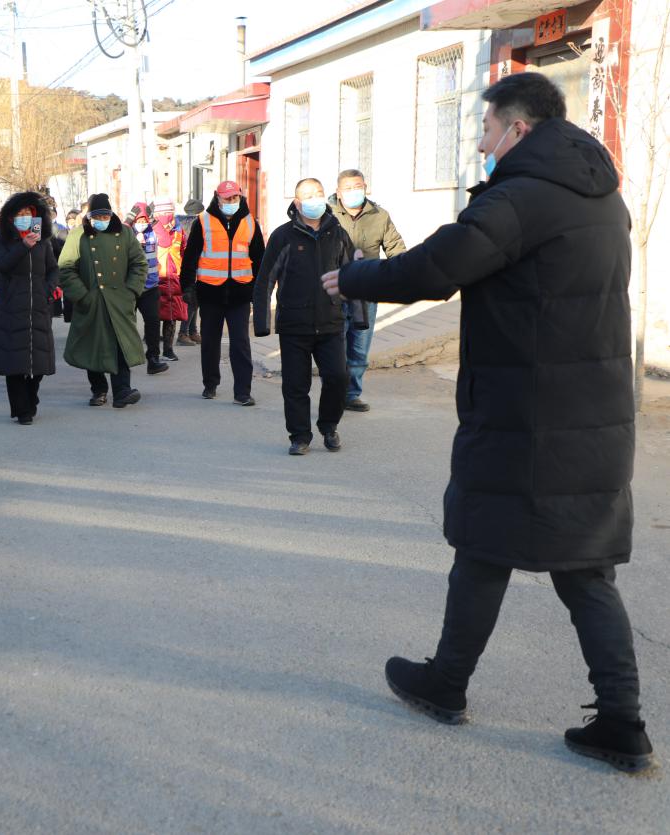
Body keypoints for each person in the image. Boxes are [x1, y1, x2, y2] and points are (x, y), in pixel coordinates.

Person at [323, 72, 655, 773]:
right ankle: (621, 722)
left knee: (481, 548)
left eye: (486, 127)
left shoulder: (521, 197)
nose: (480, 142)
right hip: (594, 415)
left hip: (524, 413)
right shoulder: (604, 198)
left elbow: (440, 264)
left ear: (519, 129)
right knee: (584, 569)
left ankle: (446, 683)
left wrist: (352, 278)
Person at [254, 178, 358, 455]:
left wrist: (358, 316)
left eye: (319, 193)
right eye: (308, 195)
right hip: (294, 326)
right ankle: (299, 436)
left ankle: (329, 426)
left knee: (338, 377)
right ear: (297, 203)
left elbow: (352, 276)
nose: (315, 199)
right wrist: (262, 323)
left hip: (330, 324)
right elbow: (265, 280)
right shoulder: (283, 236)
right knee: (296, 385)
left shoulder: (338, 234)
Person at [58, 193, 147, 409]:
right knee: (94, 347)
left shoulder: (125, 233)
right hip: (92, 300)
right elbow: (66, 268)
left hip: (120, 301)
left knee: (121, 346)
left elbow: (139, 263)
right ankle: (99, 390)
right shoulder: (78, 236)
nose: (102, 220)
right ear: (89, 217)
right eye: (97, 216)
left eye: (106, 216)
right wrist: (82, 295)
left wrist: (131, 292)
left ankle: (122, 391)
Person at [327, 169, 406, 412]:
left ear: (366, 187)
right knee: (334, 345)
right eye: (348, 188)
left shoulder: (379, 216)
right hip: (333, 291)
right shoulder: (326, 215)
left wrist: (397, 278)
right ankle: (333, 396)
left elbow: (396, 249)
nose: (354, 192)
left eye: (358, 186)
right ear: (339, 192)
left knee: (360, 346)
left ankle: (352, 394)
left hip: (366, 292)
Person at [180, 181, 265, 406]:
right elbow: (190, 258)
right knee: (210, 342)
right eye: (227, 198)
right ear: (217, 198)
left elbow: (260, 260)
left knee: (240, 342)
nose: (231, 202)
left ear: (240, 197)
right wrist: (187, 287)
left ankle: (243, 392)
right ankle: (210, 384)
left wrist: (258, 291)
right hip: (210, 293)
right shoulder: (203, 222)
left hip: (239, 293)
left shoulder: (250, 223)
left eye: (235, 198)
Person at [0, 192, 58, 424]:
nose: (24, 217)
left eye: (28, 213)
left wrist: (47, 290)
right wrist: (23, 245)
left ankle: (31, 399)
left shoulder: (44, 242)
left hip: (38, 307)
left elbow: (53, 269)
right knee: (15, 364)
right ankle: (22, 410)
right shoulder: (1, 240)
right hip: (11, 307)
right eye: (19, 214)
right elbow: (2, 265)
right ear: (10, 217)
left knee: (38, 364)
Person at [131, 203, 169, 375]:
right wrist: (130, 219)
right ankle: (126, 357)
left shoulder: (152, 232)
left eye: (144, 219)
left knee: (153, 322)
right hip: (130, 287)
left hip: (150, 287)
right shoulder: (127, 232)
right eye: (138, 219)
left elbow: (166, 241)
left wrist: (153, 220)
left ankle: (153, 359)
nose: (141, 223)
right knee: (126, 324)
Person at [152, 199, 187, 361]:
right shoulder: (150, 230)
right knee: (153, 318)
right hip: (155, 280)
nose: (166, 216)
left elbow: (184, 252)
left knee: (171, 317)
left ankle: (168, 350)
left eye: (169, 212)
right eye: (162, 213)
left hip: (174, 280)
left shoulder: (179, 231)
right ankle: (153, 353)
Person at [176, 198, 205, 345]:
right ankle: (183, 333)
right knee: (192, 301)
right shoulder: (195, 223)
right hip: (191, 268)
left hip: (191, 266)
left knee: (195, 300)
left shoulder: (181, 222)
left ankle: (193, 332)